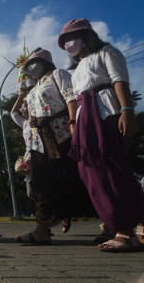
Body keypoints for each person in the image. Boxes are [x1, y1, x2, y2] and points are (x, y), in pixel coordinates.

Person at [58, 18, 144, 252]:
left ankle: (126, 230)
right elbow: (74, 100)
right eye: (64, 41)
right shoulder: (74, 72)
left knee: (112, 168)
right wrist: (74, 124)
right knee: (90, 171)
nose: (67, 44)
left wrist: (127, 112)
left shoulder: (107, 53)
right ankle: (120, 222)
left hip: (106, 113)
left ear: (87, 36)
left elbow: (120, 82)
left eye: (70, 38)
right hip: (85, 118)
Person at [14, 49, 93, 245]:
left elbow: (70, 98)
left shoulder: (58, 74)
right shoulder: (32, 91)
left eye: (35, 62)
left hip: (63, 135)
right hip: (39, 143)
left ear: (46, 62)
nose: (31, 67)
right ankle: (42, 230)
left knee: (80, 177)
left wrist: (74, 123)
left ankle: (115, 222)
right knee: (42, 185)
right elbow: (29, 119)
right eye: (28, 64)